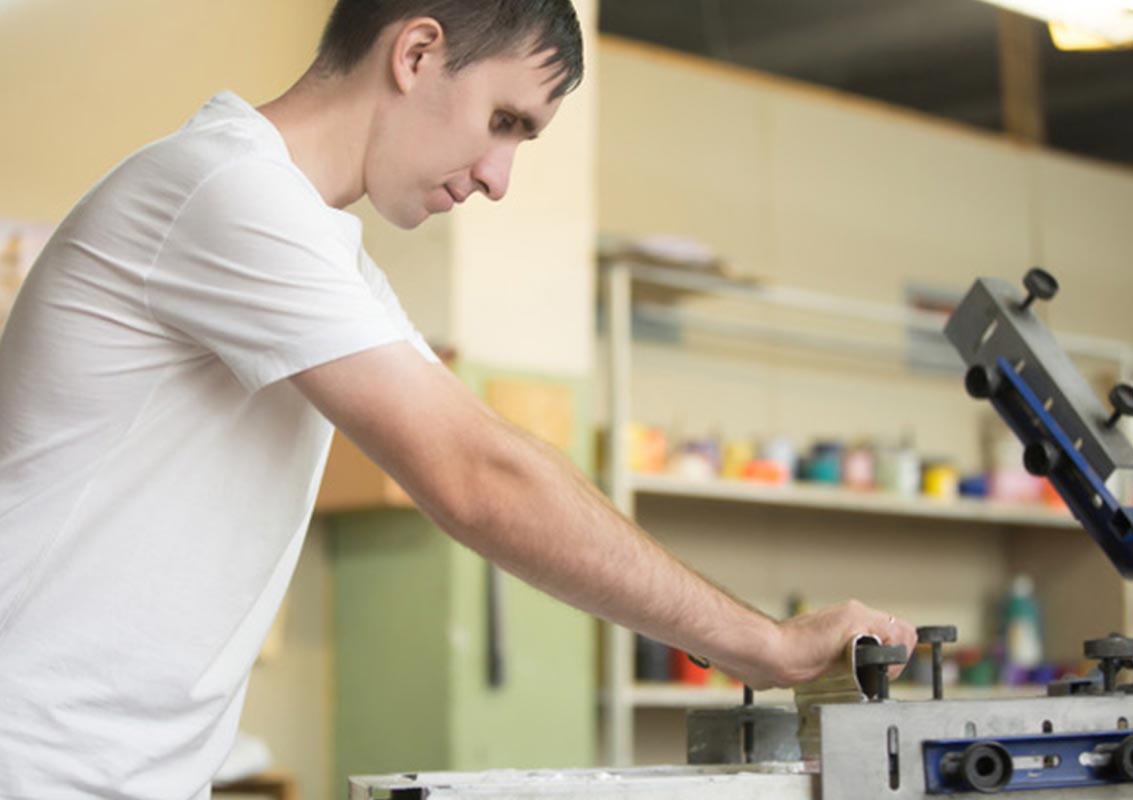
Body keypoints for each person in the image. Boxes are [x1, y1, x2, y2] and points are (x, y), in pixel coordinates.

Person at [0, 1, 917, 797]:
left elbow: (487, 446)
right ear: (416, 54)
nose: (497, 177)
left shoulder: (325, 250)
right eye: (505, 121)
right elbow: (482, 479)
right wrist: (767, 646)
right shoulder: (223, 191)